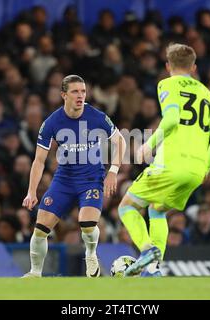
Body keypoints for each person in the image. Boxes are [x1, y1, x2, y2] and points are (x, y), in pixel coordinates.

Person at [118, 43, 210, 276]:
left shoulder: (166, 84)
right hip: (197, 170)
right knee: (157, 211)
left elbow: (171, 119)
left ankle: (147, 251)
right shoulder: (207, 94)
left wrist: (149, 144)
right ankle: (155, 270)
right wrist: (206, 166)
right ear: (194, 68)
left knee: (126, 207)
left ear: (168, 66)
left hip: (171, 164)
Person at [21, 75, 126, 278]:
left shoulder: (96, 116)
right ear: (63, 95)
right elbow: (39, 160)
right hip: (64, 180)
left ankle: (91, 253)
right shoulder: (52, 122)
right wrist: (31, 191)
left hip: (91, 179)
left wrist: (113, 171)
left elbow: (120, 141)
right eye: (75, 92)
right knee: (41, 228)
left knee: (87, 225)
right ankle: (35, 273)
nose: (80, 96)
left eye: (83, 91)